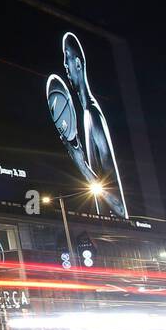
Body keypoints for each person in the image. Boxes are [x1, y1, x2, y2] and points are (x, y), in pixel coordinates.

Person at [55, 31, 128, 218]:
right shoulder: (86, 112)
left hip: (116, 229)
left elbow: (119, 208)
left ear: (78, 63)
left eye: (67, 59)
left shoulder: (92, 115)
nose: (65, 66)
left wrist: (80, 163)